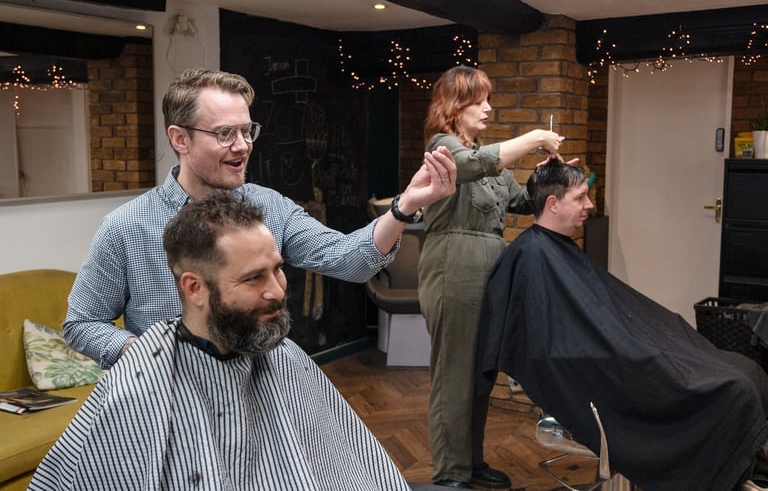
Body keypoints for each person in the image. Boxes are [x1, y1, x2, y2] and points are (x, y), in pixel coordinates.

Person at [30, 192, 449, 491]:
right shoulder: (141, 379)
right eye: (253, 278)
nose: (278, 291)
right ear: (194, 287)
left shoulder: (282, 356)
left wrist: (404, 206)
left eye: (278, 270)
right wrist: (155, 359)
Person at [63, 67, 456, 369]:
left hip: (258, 394)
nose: (243, 146)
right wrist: (147, 352)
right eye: (224, 134)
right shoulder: (127, 226)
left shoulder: (270, 207)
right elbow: (81, 324)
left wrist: (404, 207)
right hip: (168, 405)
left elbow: (348, 260)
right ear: (180, 139)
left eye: (247, 130)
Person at [476, 159, 768, 491]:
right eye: (581, 197)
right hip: (611, 370)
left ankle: (744, 470)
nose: (590, 205)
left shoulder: (552, 249)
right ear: (553, 203)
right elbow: (551, 346)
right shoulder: (531, 257)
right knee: (734, 389)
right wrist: (638, 351)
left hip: (629, 352)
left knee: (745, 371)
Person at [417, 65, 563, 489]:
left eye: (488, 100)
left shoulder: (487, 158)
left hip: (488, 271)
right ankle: (450, 475)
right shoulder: (443, 147)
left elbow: (521, 200)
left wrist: (554, 175)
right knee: (454, 376)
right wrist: (533, 138)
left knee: (478, 374)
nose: (488, 108)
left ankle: (471, 462)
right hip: (453, 269)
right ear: (454, 106)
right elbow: (470, 165)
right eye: (479, 101)